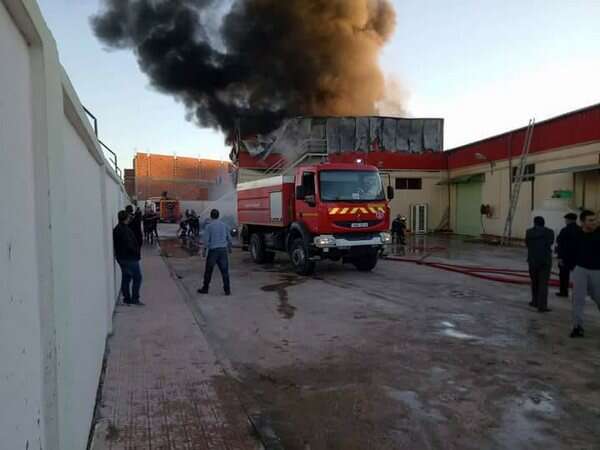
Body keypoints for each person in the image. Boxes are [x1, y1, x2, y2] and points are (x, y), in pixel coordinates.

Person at [570, 210, 600, 338]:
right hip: (580, 269)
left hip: (597, 271)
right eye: (590, 220)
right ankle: (578, 327)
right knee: (578, 299)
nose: (594, 222)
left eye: (595, 220)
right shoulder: (576, 234)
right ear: (582, 222)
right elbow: (570, 250)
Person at [197, 209, 232, 295]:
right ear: (218, 216)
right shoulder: (224, 225)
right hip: (223, 251)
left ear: (211, 216)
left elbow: (206, 241)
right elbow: (229, 238)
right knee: (225, 271)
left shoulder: (209, 227)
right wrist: (229, 248)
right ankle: (227, 290)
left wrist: (204, 251)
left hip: (213, 251)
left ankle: (205, 288)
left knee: (208, 271)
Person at [113, 210, 144, 306]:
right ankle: (135, 299)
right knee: (137, 277)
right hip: (129, 258)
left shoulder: (117, 228)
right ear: (126, 218)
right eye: (129, 217)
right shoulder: (125, 230)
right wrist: (136, 252)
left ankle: (127, 298)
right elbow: (129, 245)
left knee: (126, 277)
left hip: (121, 257)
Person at [525, 216, 555, 312]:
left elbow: (527, 244)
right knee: (543, 284)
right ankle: (542, 306)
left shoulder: (529, 232)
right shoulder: (549, 232)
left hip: (532, 260)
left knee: (534, 282)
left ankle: (534, 301)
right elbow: (550, 243)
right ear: (544, 223)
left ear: (534, 223)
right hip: (545, 261)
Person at [555, 212, 580, 297]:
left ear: (569, 220)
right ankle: (578, 293)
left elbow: (560, 243)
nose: (565, 221)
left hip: (565, 257)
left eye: (566, 219)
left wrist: (560, 257)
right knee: (579, 277)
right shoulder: (580, 230)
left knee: (564, 275)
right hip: (577, 257)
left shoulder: (565, 230)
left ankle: (564, 292)